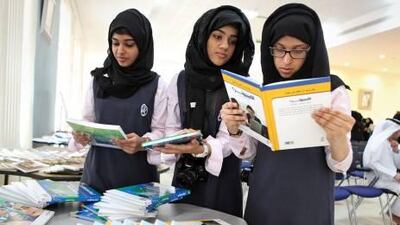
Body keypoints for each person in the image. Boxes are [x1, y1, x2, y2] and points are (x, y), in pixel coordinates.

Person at [220, 3, 355, 225]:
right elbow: (250, 154)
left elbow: (339, 165)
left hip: (309, 199)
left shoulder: (332, 91)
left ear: (312, 49)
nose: (286, 60)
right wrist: (235, 130)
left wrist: (337, 137)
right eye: (279, 49)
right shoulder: (263, 93)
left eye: (298, 50)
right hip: (264, 193)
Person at [158, 5, 254, 217]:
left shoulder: (241, 84)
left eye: (232, 41)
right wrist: (173, 140)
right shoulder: (181, 80)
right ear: (203, 37)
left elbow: (233, 141)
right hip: (184, 178)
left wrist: (201, 147)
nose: (224, 46)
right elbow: (171, 126)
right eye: (217, 36)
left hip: (223, 183)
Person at [69, 9, 167, 193]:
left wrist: (144, 142)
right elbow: (87, 120)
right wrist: (80, 135)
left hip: (138, 181)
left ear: (143, 45)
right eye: (115, 43)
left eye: (129, 44)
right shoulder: (98, 80)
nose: (120, 51)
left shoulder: (157, 85)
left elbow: (161, 131)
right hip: (96, 177)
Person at [363, 118, 400, 223]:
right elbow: (372, 163)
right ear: (393, 130)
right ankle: (395, 216)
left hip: (386, 178)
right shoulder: (378, 142)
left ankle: (395, 214)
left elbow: (396, 164)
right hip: (376, 179)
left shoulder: (388, 143)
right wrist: (394, 175)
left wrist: (396, 151)